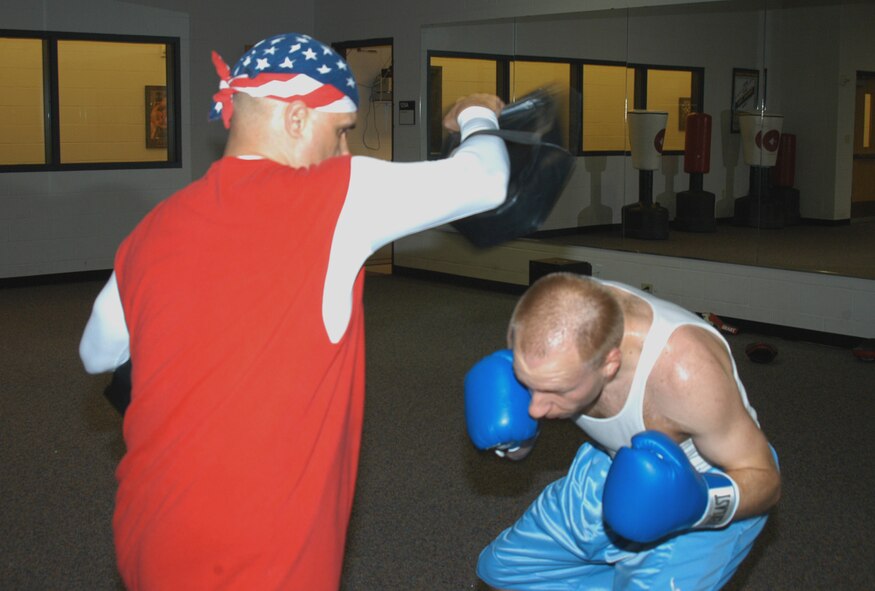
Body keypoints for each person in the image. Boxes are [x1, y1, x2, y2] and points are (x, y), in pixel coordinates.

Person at [79, 32, 510, 590]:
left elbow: (97, 354)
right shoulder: (333, 195)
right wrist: (477, 114)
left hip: (148, 537)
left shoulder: (154, 227)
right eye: (342, 133)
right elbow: (486, 181)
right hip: (264, 561)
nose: (348, 153)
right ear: (299, 119)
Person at [465, 272, 781, 590]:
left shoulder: (686, 374)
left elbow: (766, 481)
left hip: (703, 483)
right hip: (617, 458)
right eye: (528, 384)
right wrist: (516, 437)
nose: (535, 408)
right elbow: (534, 403)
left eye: (556, 392)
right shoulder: (558, 317)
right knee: (505, 571)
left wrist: (697, 503)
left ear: (609, 364)